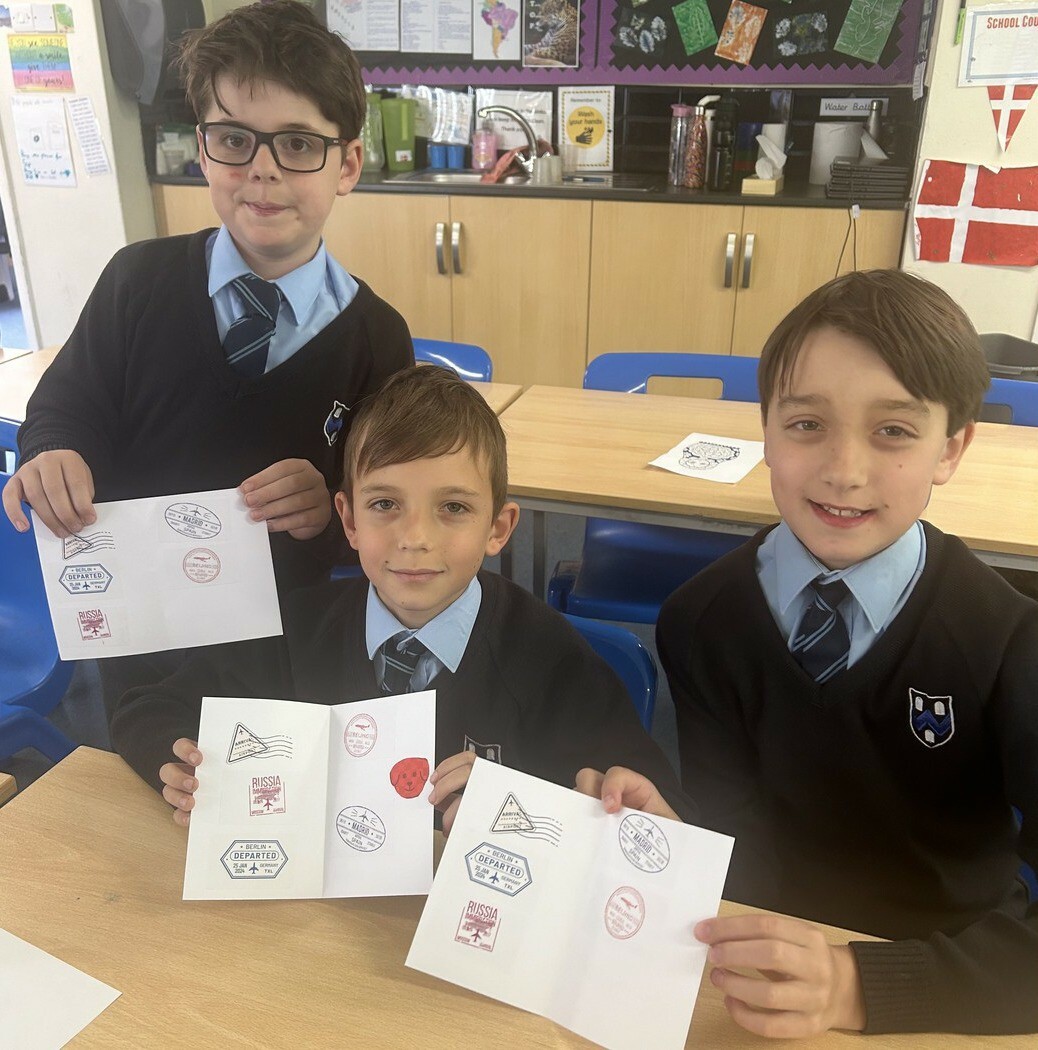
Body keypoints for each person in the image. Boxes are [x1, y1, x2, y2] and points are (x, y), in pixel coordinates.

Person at [579, 270, 1037, 1036]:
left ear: (951, 448)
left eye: (893, 431)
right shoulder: (702, 620)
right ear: (765, 430)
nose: (843, 470)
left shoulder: (1011, 643)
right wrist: (676, 834)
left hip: (945, 991)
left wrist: (857, 987)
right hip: (756, 968)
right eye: (806, 424)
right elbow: (743, 836)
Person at [2, 1, 413, 713]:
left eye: (297, 144)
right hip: (141, 637)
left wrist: (330, 506)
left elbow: (388, 502)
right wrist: (55, 448)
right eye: (234, 139)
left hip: (288, 646)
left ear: (347, 164)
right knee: (143, 767)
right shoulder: (137, 281)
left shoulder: (377, 337)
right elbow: (70, 402)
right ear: (203, 149)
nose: (262, 170)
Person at [110, 365, 694, 832]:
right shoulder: (295, 632)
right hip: (316, 918)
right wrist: (177, 762)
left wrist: (533, 806)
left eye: (454, 507)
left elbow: (655, 809)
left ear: (498, 528)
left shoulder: (552, 661)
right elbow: (147, 708)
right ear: (349, 520)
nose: (415, 538)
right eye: (385, 504)